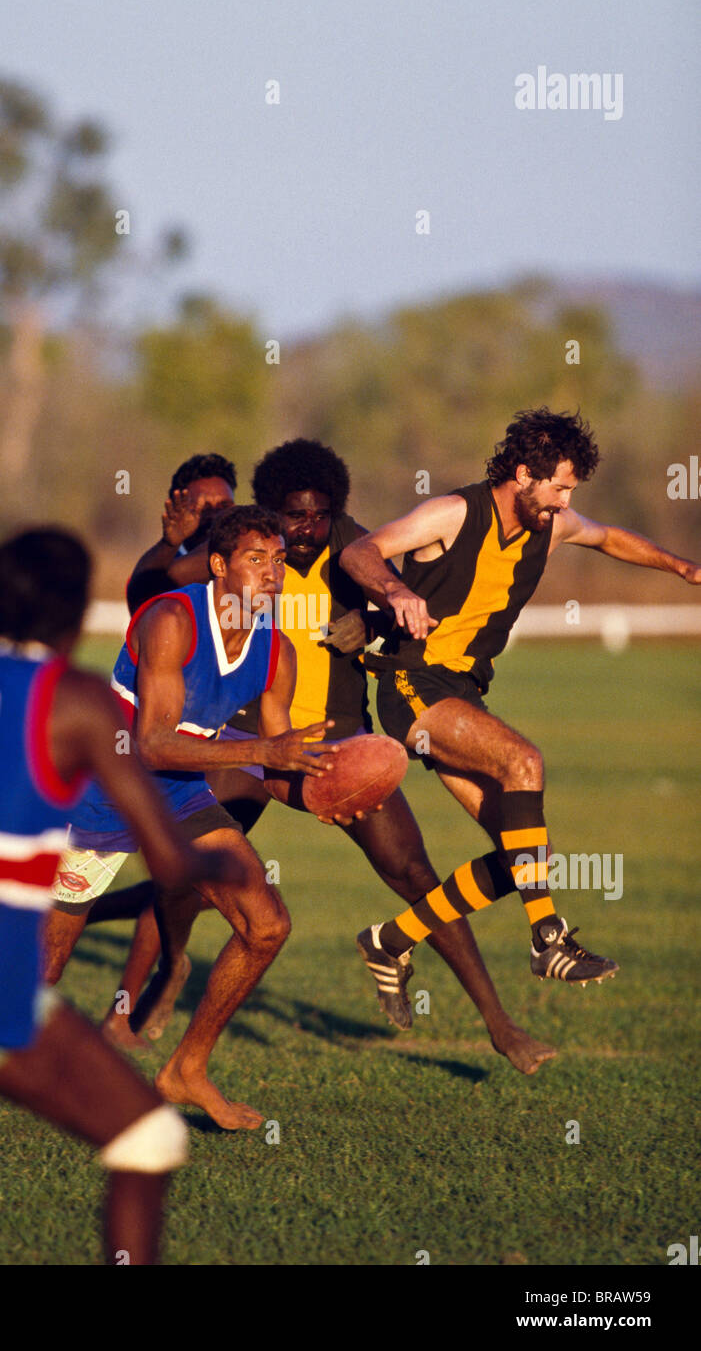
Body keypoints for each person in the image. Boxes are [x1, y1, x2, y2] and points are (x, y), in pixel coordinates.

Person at [98, 439, 557, 1075]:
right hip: (242, 735)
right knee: (187, 872)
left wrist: (374, 623)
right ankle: (147, 987)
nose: (304, 530)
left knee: (414, 870)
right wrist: (168, 544)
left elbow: (415, 611)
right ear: (270, 510)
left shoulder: (357, 551)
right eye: (291, 516)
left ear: (335, 509)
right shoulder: (248, 553)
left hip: (337, 743)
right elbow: (152, 596)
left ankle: (501, 1025)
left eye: (318, 516)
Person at [0, 528, 236, 1264]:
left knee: (146, 1134)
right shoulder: (78, 702)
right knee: (148, 1142)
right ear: (76, 617)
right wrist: (232, 871)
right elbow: (168, 858)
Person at [340, 407, 700, 991]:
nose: (564, 502)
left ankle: (390, 940)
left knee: (525, 852)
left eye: (570, 491)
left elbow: (607, 538)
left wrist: (680, 566)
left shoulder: (550, 525)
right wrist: (395, 589)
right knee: (525, 761)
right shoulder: (452, 513)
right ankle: (548, 940)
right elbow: (360, 553)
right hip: (412, 683)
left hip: (462, 692)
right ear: (523, 472)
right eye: (558, 487)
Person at [46, 505, 338, 1130]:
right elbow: (152, 741)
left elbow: (279, 761)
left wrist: (323, 795)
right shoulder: (174, 619)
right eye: (255, 559)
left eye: (279, 560)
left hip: (179, 794)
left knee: (266, 926)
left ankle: (186, 1069)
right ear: (218, 566)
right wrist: (264, 751)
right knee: (40, 975)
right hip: (104, 785)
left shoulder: (275, 653)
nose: (272, 573)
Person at [127, 452, 237, 613]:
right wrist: (169, 543)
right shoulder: (155, 567)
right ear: (176, 507)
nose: (214, 515)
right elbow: (141, 604)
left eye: (224, 505)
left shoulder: (247, 561)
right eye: (203, 508)